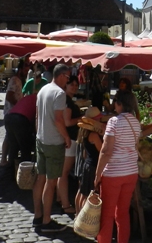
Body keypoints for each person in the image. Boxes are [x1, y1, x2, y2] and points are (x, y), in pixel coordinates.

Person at [94, 89, 141, 243]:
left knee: (106, 215)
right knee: (122, 213)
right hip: (131, 173)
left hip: (113, 174)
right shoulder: (135, 122)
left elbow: (106, 151)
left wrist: (97, 174)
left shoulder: (114, 122)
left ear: (119, 103)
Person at [32, 64, 72, 233]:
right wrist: (66, 137)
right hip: (53, 143)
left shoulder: (43, 89)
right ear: (61, 76)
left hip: (41, 139)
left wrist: (39, 133)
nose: (68, 80)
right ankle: (47, 221)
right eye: (68, 77)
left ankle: (38, 216)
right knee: (51, 181)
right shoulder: (59, 93)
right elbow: (58, 120)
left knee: (40, 179)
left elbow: (37, 116)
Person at [59, 74, 82, 216]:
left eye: (76, 85)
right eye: (71, 84)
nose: (74, 87)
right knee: (64, 173)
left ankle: (59, 198)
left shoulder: (66, 99)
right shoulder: (67, 101)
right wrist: (82, 118)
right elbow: (67, 122)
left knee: (62, 172)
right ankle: (66, 204)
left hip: (68, 139)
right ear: (66, 85)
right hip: (70, 139)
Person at [5, 86, 39, 173]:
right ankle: (24, 172)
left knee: (14, 146)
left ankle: (10, 169)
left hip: (9, 117)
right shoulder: (39, 99)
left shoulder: (30, 97)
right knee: (25, 147)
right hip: (20, 119)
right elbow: (37, 117)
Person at [76, 107, 103, 214]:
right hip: (93, 166)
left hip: (87, 164)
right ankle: (83, 217)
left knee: (81, 193)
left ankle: (77, 215)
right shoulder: (94, 135)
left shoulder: (84, 132)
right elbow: (102, 150)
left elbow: (84, 153)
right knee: (88, 196)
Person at [1, 61, 28, 166]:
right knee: (10, 139)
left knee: (9, 138)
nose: (26, 72)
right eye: (25, 70)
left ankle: (6, 161)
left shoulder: (19, 80)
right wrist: (18, 106)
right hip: (12, 113)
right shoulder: (15, 80)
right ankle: (5, 160)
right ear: (20, 69)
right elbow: (9, 96)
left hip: (14, 113)